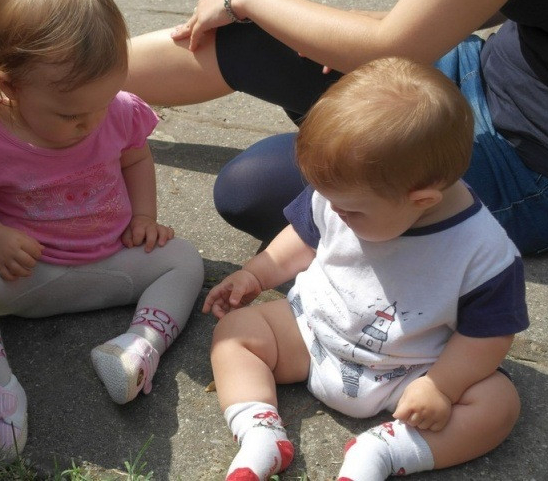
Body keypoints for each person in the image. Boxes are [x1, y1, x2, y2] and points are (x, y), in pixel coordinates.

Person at [125, 0, 548, 255]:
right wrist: (383, 25)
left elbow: (391, 48)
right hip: (478, 70)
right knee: (269, 37)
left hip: (535, 167)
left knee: (251, 187)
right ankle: (81, 84)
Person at [202, 57, 528, 481]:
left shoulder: (483, 253)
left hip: (412, 368)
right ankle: (259, 432)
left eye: (350, 211)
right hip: (314, 333)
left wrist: (442, 386)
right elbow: (304, 235)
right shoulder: (347, 194)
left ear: (422, 200)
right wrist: (257, 274)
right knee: (235, 333)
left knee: (498, 405)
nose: (335, 212)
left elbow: (488, 335)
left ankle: (385, 450)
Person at [0, 0, 204, 459]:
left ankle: (138, 346)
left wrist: (144, 217)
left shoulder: (117, 111)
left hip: (111, 259)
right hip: (26, 274)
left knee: (183, 259)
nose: (91, 123)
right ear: (8, 85)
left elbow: (136, 157)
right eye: (70, 114)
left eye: (101, 104)